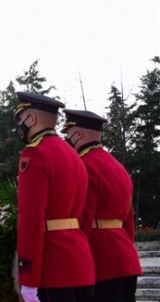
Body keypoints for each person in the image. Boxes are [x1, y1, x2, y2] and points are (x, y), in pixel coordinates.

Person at [14, 92, 94, 302]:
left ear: (32, 119)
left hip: (53, 267)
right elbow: (86, 213)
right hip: (81, 262)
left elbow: (31, 220)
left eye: (20, 119)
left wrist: (28, 279)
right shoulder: (74, 155)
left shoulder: (34, 154)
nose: (19, 126)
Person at [63, 109, 142, 301]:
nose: (66, 140)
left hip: (100, 260)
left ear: (78, 134)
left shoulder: (83, 165)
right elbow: (128, 219)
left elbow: (84, 216)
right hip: (125, 257)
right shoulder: (118, 167)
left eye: (68, 135)